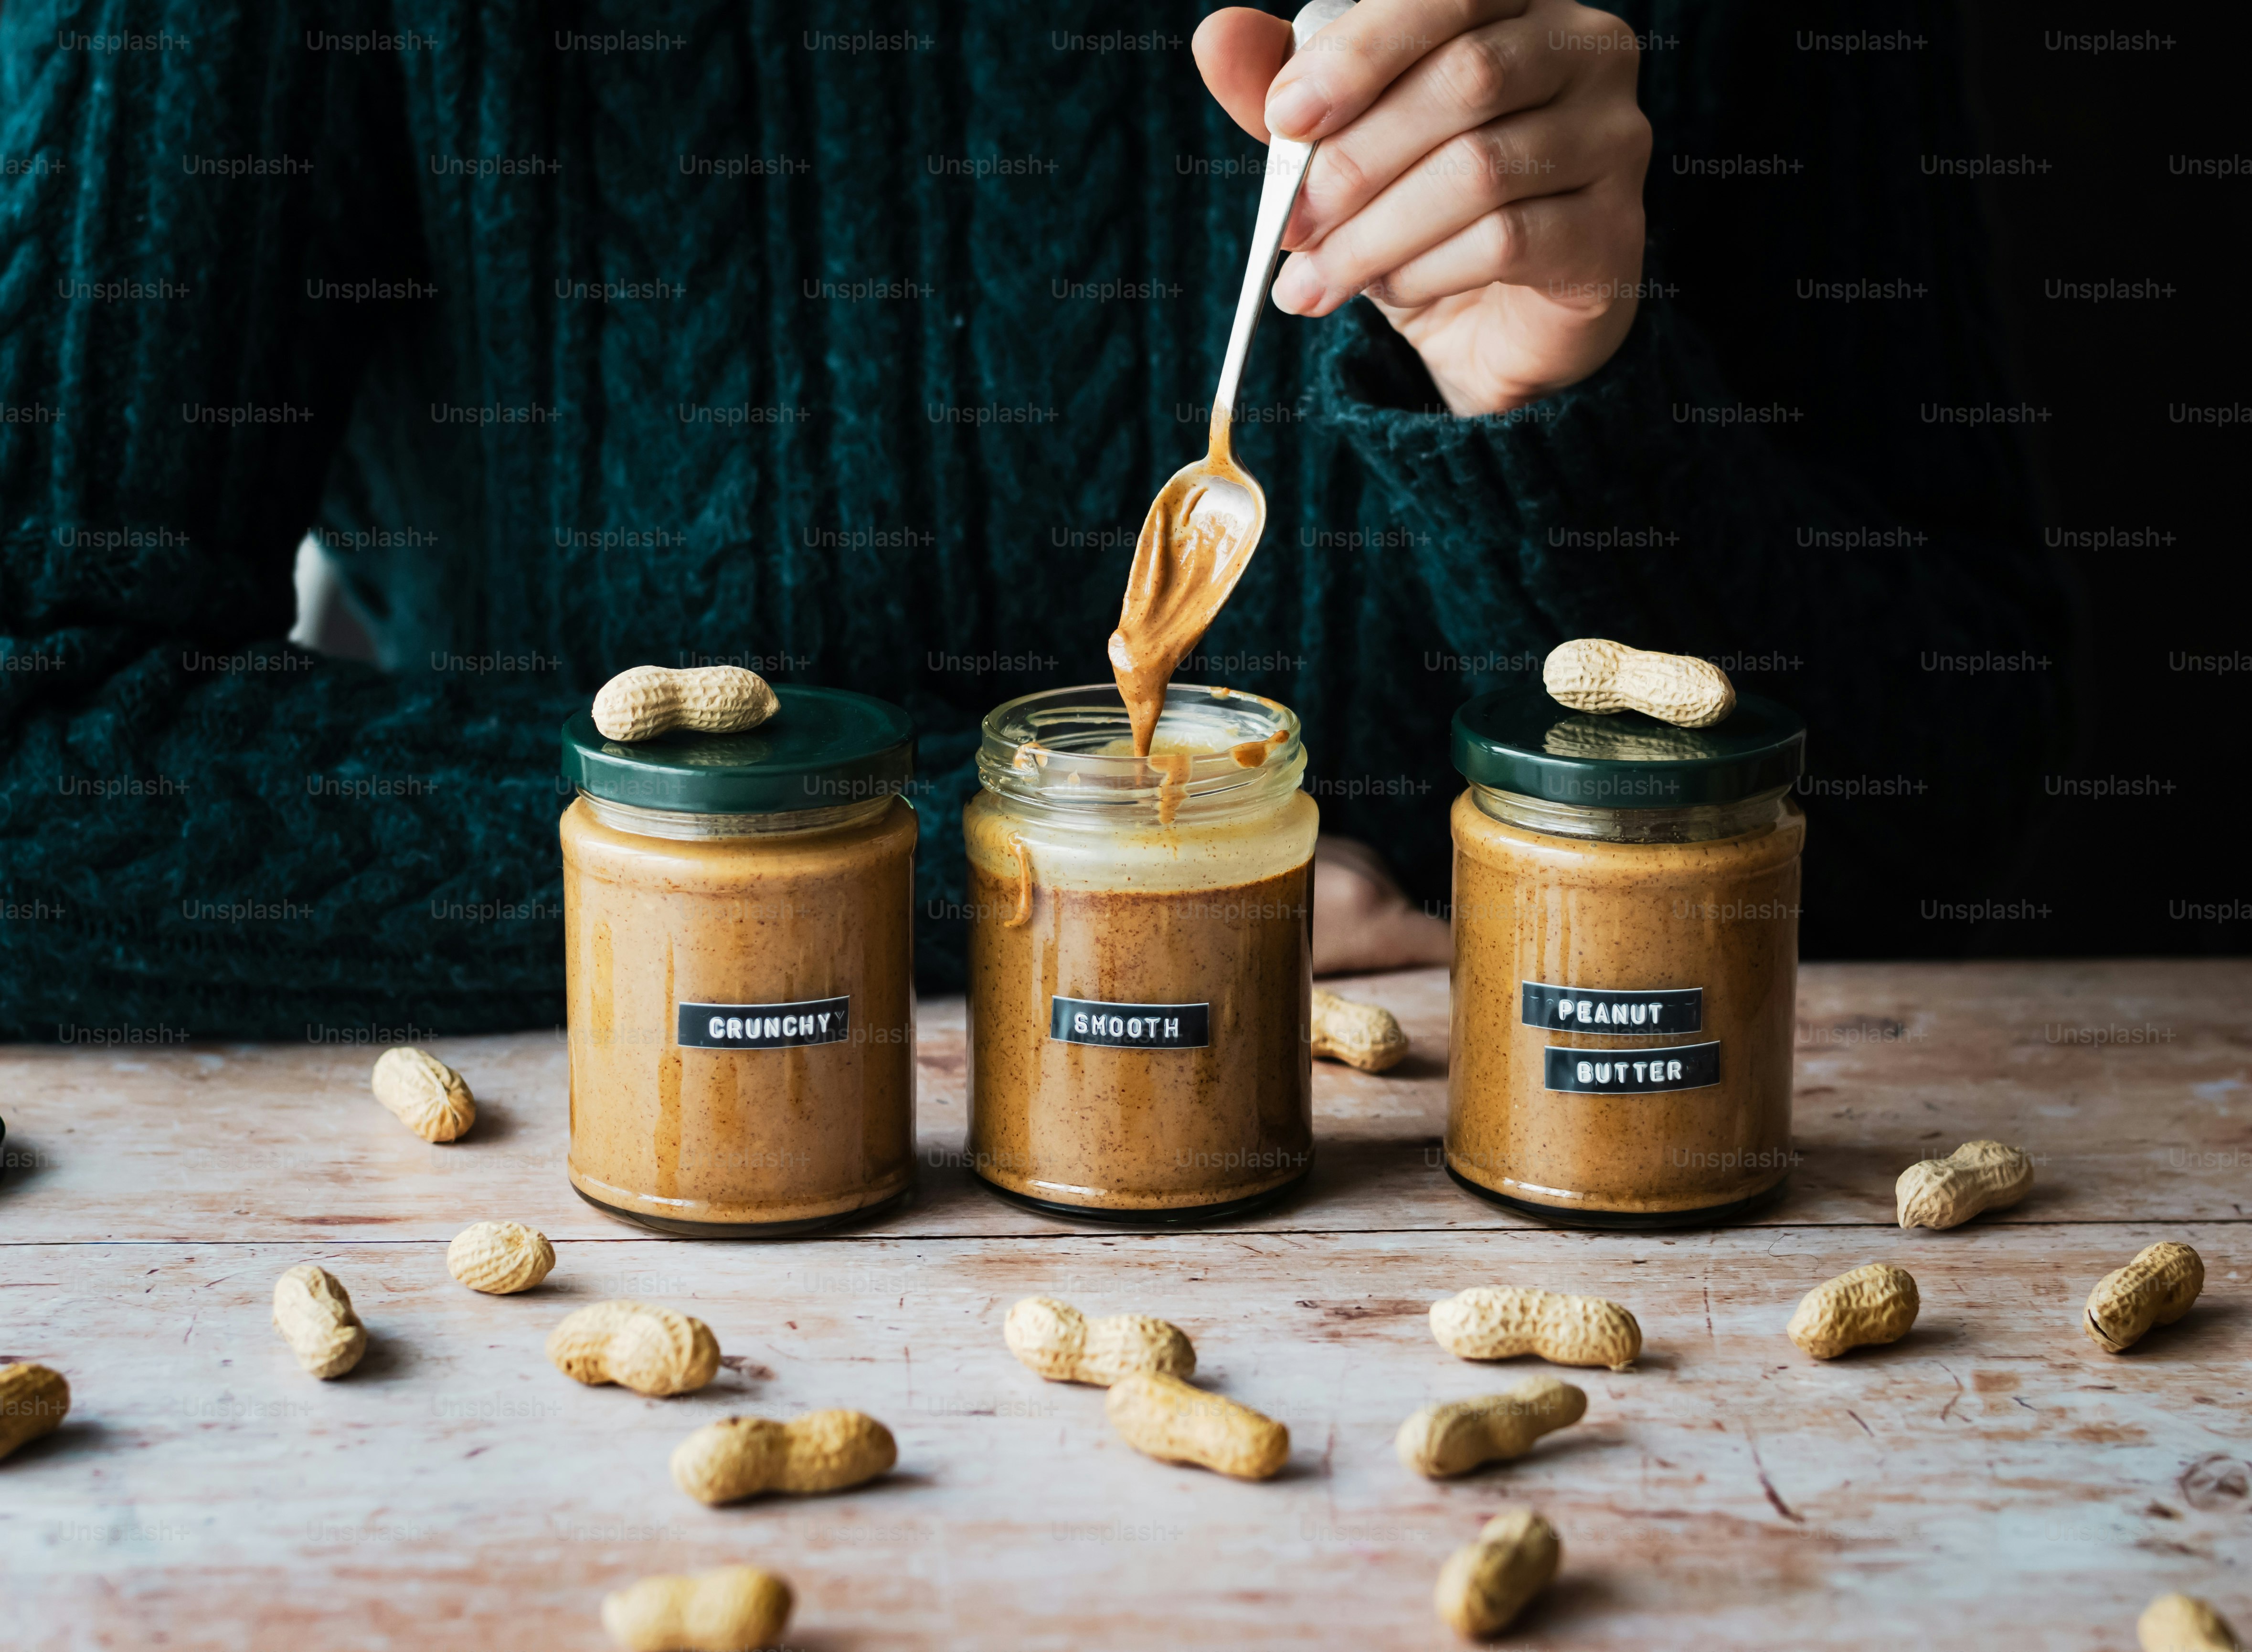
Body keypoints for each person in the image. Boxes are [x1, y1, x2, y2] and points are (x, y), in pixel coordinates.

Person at [0, 0, 2066, 1038]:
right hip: (689, 1178)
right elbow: (36, 745)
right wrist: (964, 869)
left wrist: (1561, 409)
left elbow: (1963, 796)